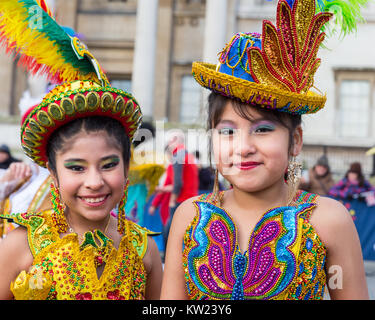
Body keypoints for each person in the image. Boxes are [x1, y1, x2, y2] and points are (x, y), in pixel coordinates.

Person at [161, 0, 369, 300]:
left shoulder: (329, 220)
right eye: (228, 131)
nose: (243, 147)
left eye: (262, 129)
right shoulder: (188, 216)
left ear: (295, 140)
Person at [0, 0, 162, 300]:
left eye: (109, 164)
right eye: (76, 167)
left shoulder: (145, 249)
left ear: (127, 166)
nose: (94, 181)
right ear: (53, 172)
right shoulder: (21, 245)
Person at [163, 130, 198, 249]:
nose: (169, 144)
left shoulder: (178, 155)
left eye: (170, 141)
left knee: (171, 235)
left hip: (181, 200)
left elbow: (178, 183)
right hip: (191, 199)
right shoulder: (188, 155)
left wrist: (172, 201)